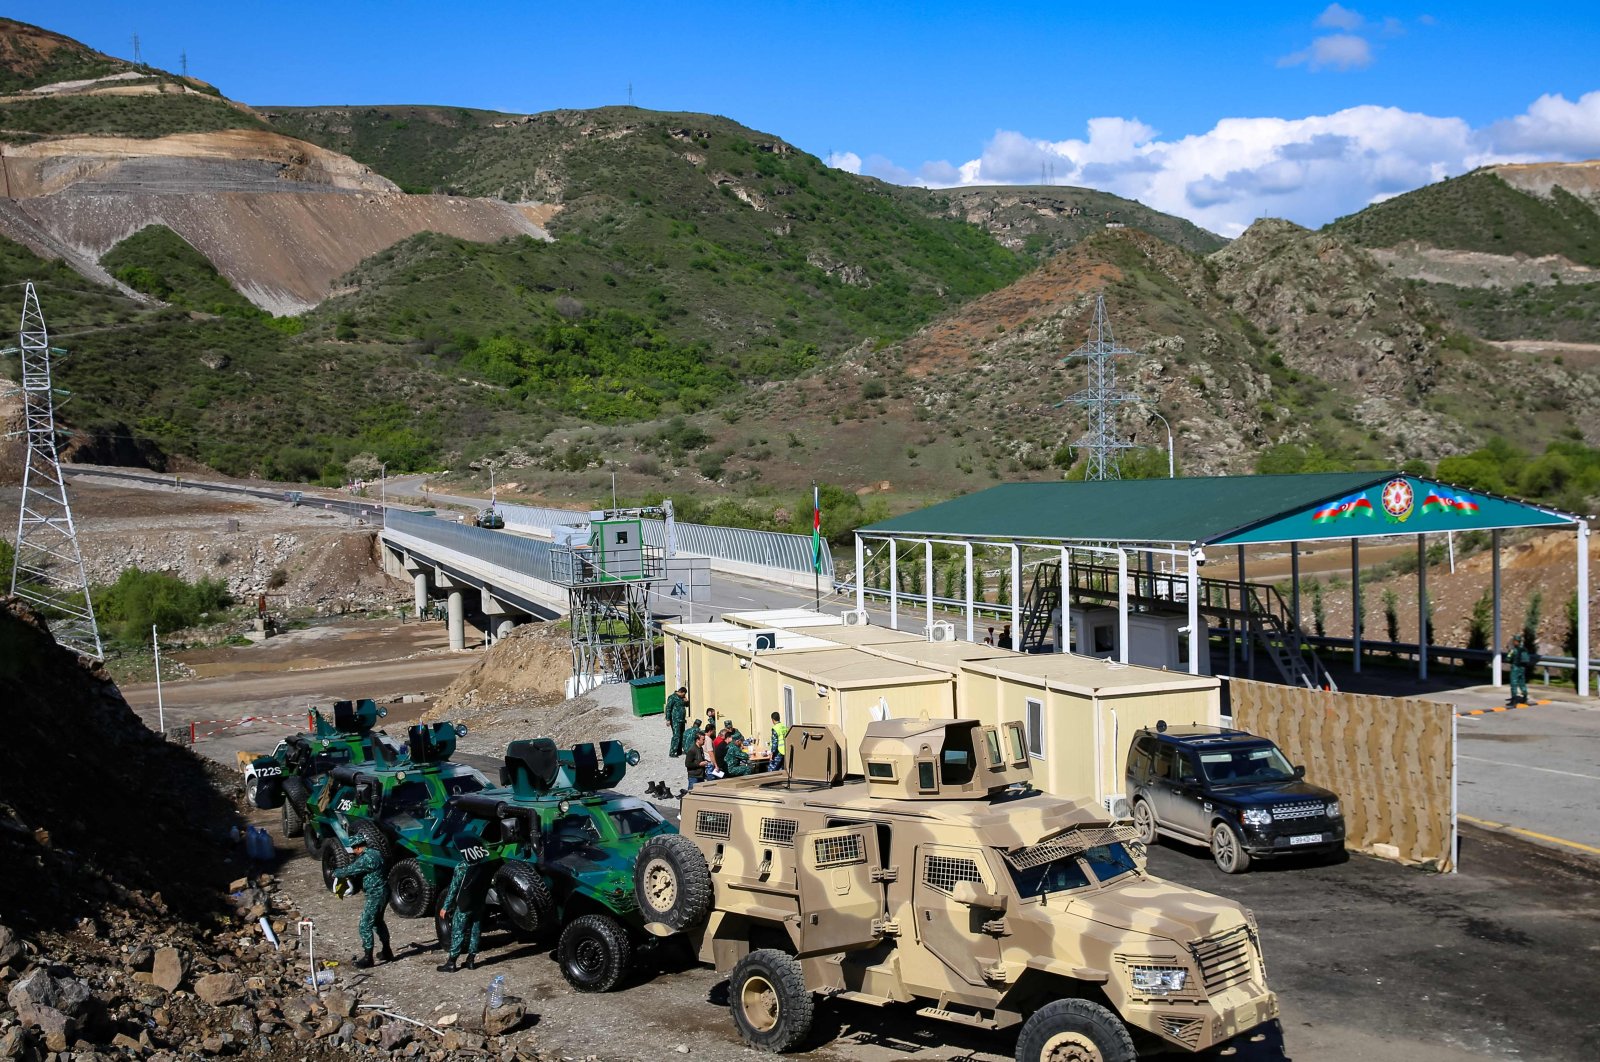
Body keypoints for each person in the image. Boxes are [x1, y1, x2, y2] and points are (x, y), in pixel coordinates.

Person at [330, 836, 393, 968]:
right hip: (383, 891)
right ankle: (387, 951)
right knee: (377, 921)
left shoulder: (366, 858)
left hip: (375, 894)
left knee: (364, 925)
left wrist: (335, 872)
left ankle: (368, 958)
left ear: (358, 847)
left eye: (354, 849)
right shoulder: (376, 853)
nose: (354, 852)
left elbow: (350, 869)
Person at [436, 844, 498, 972]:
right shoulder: (485, 864)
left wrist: (445, 907)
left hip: (465, 903)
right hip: (479, 902)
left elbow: (453, 889)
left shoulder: (462, 867)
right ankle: (471, 960)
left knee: (458, 931)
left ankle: (451, 962)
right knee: (476, 930)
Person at [1508, 632, 1536, 706]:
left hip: (1515, 668)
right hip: (1522, 669)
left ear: (1515, 641)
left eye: (1514, 640)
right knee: (1522, 683)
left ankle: (1514, 700)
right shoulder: (1524, 649)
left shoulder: (1513, 650)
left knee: (1514, 684)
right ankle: (1525, 697)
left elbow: (1508, 659)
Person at [664, 686, 689, 757]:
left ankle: (679, 750)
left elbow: (686, 705)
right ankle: (672, 752)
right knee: (676, 736)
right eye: (684, 694)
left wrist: (687, 701)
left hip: (682, 720)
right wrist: (668, 719)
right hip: (675, 720)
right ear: (681, 692)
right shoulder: (672, 697)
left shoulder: (682, 698)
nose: (684, 695)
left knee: (682, 735)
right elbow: (668, 708)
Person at [683, 721, 706, 790]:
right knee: (692, 793)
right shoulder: (692, 750)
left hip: (700, 775)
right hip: (694, 776)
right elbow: (687, 764)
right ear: (697, 740)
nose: (704, 741)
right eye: (703, 739)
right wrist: (699, 764)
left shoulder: (700, 748)